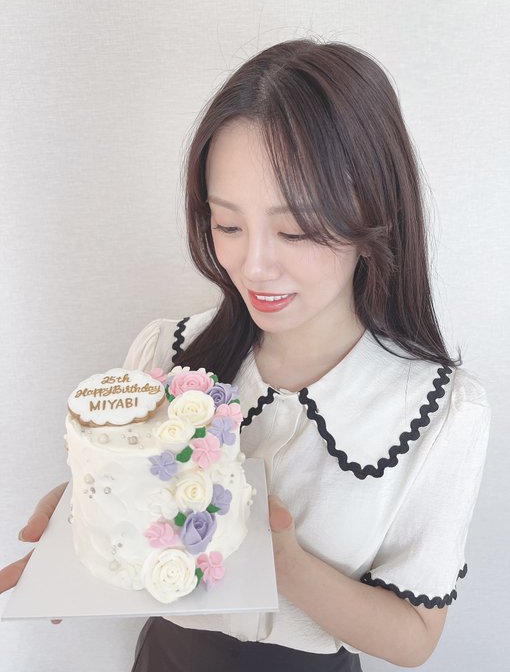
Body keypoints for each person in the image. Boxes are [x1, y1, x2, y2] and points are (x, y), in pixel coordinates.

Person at [0, 38, 491, 671]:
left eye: (295, 229)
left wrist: (282, 561)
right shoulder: (165, 353)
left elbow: (415, 637)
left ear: (377, 216)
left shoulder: (441, 412)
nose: (254, 265)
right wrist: (96, 511)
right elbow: (137, 506)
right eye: (228, 225)